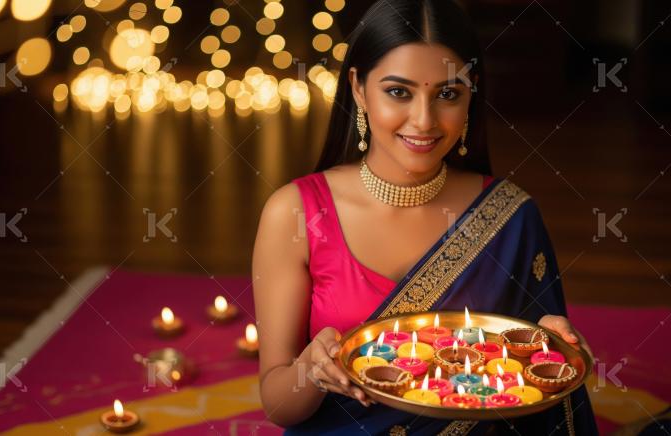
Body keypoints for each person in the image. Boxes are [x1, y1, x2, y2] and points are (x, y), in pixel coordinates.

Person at [251, 0, 598, 434]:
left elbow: (538, 391)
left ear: (471, 94)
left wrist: (549, 350)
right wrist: (311, 369)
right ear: (358, 88)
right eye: (399, 92)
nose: (423, 120)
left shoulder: (509, 215)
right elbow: (279, 405)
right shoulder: (296, 213)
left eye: (448, 95)